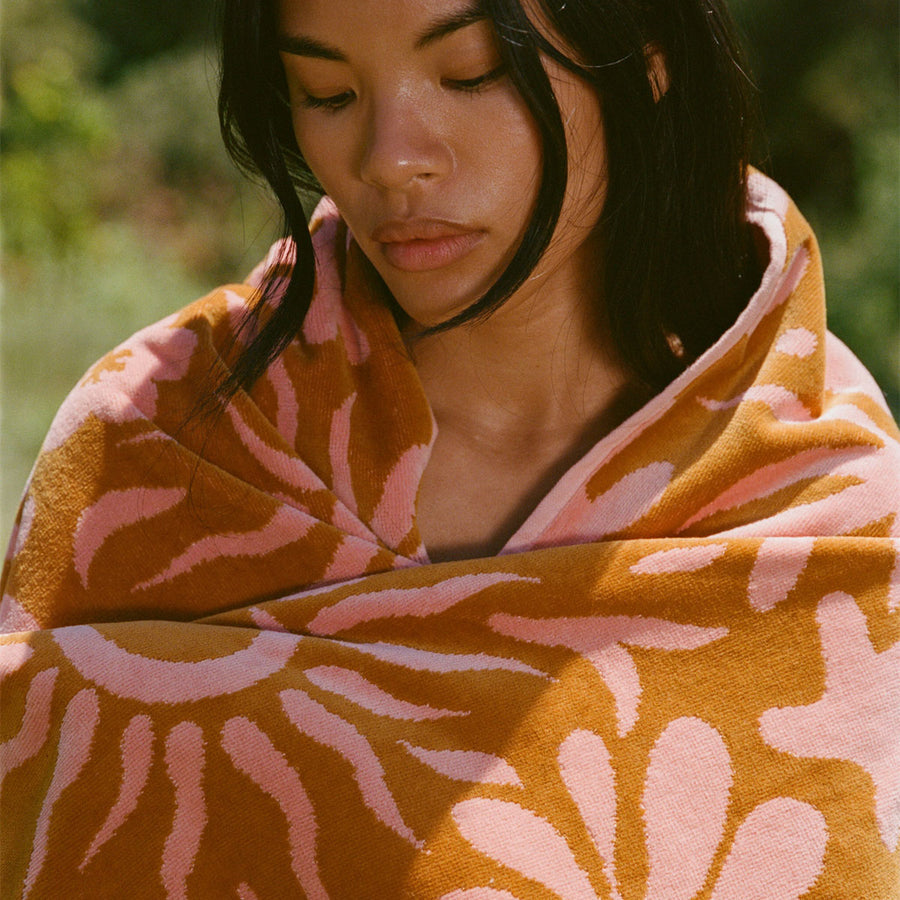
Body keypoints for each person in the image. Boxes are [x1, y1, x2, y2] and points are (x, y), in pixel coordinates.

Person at [1, 0, 898, 896]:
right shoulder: (158, 446)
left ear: (644, 59)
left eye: (472, 73)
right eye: (328, 92)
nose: (390, 159)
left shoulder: (832, 504)